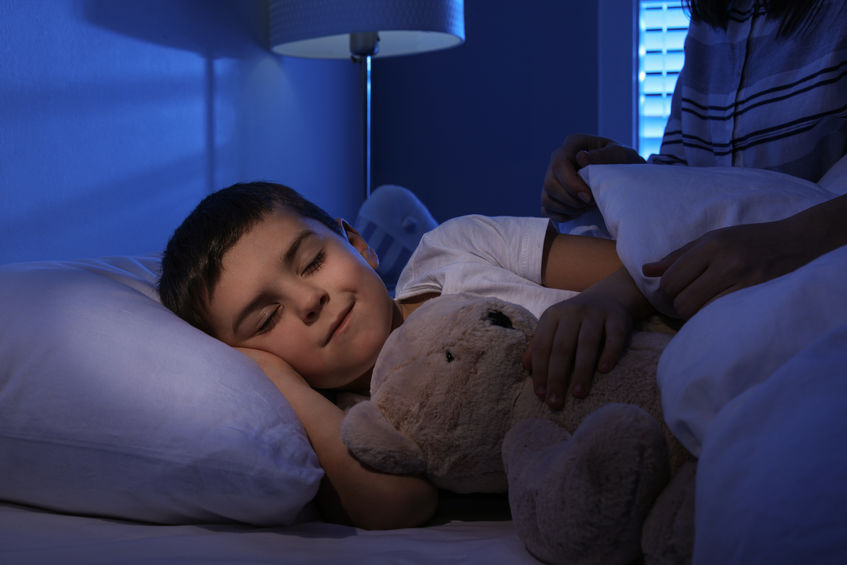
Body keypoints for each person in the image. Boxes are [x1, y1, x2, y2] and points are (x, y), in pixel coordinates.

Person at [158, 181, 652, 530]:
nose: (309, 301)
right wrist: (278, 381)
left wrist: (609, 299)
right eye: (267, 321)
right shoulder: (358, 422)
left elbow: (654, 269)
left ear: (359, 245)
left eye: (312, 262)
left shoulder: (455, 250)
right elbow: (398, 506)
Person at [541, 0, 847, 320]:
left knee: (492, 246)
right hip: (692, 277)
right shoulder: (710, 29)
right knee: (490, 247)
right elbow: (692, 182)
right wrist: (621, 174)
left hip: (797, 288)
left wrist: (787, 241)